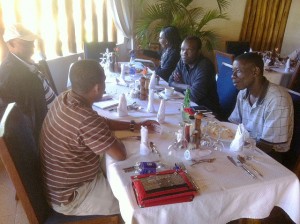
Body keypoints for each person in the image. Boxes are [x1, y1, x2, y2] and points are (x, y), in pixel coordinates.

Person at [40, 60, 160, 216]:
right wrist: (108, 135)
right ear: (97, 88)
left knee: (125, 180)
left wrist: (134, 125)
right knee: (135, 202)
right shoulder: (85, 119)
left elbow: (101, 122)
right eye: (104, 83)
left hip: (59, 185)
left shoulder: (65, 97)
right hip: (72, 197)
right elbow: (120, 155)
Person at [228, 52, 294, 162]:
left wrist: (238, 146)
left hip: (269, 157)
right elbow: (234, 124)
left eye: (238, 71)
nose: (232, 76)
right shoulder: (243, 93)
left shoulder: (277, 99)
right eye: (232, 71)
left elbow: (267, 146)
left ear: (255, 71)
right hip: (244, 149)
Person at [0, 23, 56, 142]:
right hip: (44, 132)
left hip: (54, 119)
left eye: (32, 43)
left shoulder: (26, 62)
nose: (32, 48)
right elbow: (19, 118)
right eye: (26, 44)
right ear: (10, 44)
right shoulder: (8, 75)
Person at [168, 36, 220, 114]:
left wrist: (180, 85)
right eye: (182, 50)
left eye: (189, 50)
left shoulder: (205, 66)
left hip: (205, 111)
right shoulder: (183, 61)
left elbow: (193, 96)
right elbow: (170, 82)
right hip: (188, 105)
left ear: (198, 52)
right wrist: (188, 87)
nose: (184, 53)